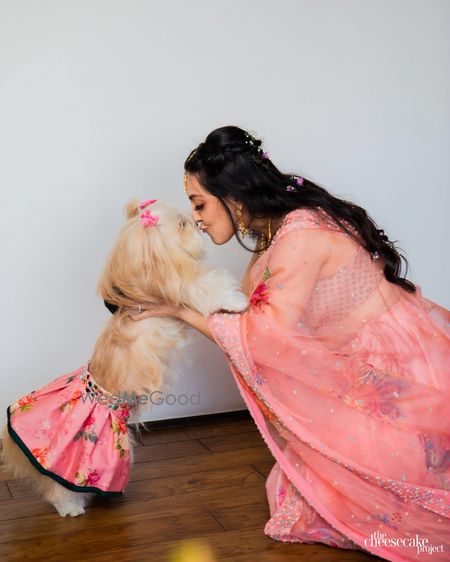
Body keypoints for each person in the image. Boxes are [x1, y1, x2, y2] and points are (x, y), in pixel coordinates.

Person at [124, 126, 449, 561]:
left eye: (199, 203)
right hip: (366, 364)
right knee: (299, 487)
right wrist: (174, 295)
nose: (197, 217)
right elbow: (252, 315)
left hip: (400, 374)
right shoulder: (279, 229)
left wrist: (180, 311)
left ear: (233, 196)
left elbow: (263, 337)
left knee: (339, 498)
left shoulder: (299, 235)